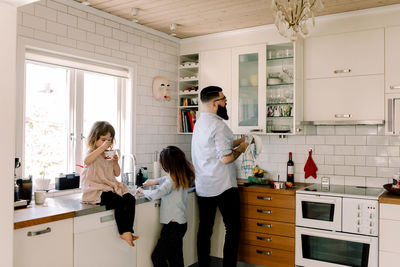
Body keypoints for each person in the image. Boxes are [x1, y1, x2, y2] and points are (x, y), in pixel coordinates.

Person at [191, 86, 249, 267]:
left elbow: (215, 145)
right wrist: (241, 149)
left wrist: (238, 140)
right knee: (233, 229)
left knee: (205, 229)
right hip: (223, 186)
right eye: (224, 100)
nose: (226, 102)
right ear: (216, 104)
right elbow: (226, 158)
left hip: (204, 185)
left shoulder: (200, 123)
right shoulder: (219, 125)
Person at [81, 121, 138, 247]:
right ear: (94, 138)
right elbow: (86, 161)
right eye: (103, 139)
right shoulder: (92, 153)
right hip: (95, 190)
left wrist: (115, 162)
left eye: (110, 139)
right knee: (118, 201)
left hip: (109, 187)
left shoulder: (109, 153)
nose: (107, 143)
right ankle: (123, 231)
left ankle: (127, 231)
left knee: (129, 199)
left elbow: (117, 173)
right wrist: (101, 148)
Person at [137, 146, 195, 267]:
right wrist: (154, 181)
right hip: (180, 225)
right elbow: (166, 179)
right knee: (176, 258)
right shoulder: (181, 175)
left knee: (157, 257)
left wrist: (143, 192)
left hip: (172, 227)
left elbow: (156, 193)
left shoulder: (171, 181)